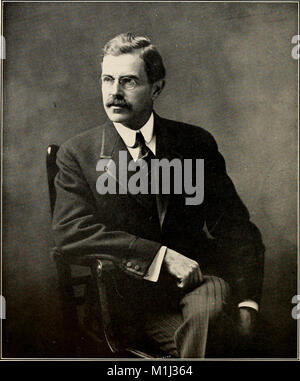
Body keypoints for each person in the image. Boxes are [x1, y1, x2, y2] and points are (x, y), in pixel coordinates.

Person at [52, 33, 265, 358]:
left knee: (209, 308)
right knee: (212, 344)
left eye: (128, 81)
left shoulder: (195, 144)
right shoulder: (77, 154)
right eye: (107, 79)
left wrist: (248, 301)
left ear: (156, 88)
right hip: (128, 301)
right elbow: (72, 232)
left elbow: (236, 227)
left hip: (197, 287)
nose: (114, 92)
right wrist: (161, 257)